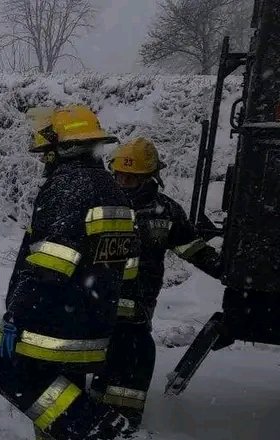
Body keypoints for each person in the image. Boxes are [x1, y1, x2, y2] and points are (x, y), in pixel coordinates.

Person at [0, 105, 140, 440]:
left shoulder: (68, 188)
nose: (44, 161)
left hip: (52, 320)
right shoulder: (114, 191)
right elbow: (126, 268)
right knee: (56, 401)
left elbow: (50, 264)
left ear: (62, 149)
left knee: (4, 370)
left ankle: (102, 429)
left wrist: (16, 315)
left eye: (47, 153)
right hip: (93, 321)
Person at [89, 137, 223, 430]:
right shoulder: (99, 204)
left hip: (137, 312)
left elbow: (193, 249)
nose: (122, 182)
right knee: (102, 364)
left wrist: (226, 271)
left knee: (132, 365)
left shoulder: (165, 212)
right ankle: (96, 414)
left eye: (130, 177)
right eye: (119, 175)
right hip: (97, 306)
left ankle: (124, 424)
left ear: (148, 177)